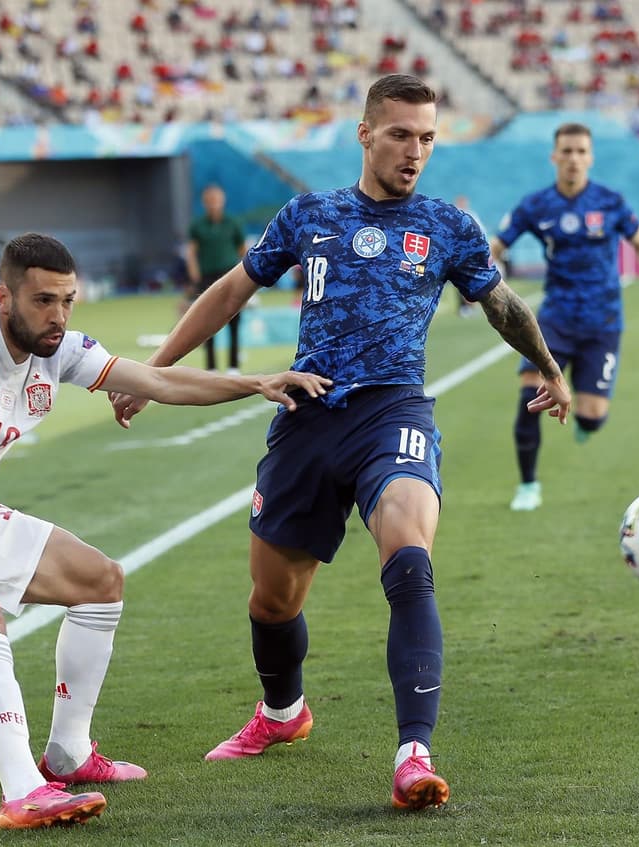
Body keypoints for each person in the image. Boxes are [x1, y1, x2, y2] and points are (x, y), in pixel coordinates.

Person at [110, 74, 571, 810]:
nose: (414, 151)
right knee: (272, 601)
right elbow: (232, 290)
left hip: (394, 414)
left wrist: (548, 367)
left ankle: (413, 754)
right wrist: (153, 369)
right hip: (305, 411)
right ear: (364, 134)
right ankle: (282, 713)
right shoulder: (309, 214)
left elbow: (502, 303)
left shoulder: (449, 227)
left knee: (410, 554)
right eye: (399, 135)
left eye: (426, 137)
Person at [0, 233, 330, 830]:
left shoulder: (59, 349)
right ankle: (23, 791)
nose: (58, 316)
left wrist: (254, 383)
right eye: (44, 300)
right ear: (3, 297)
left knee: (100, 581)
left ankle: (68, 755)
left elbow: (158, 382)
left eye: (68, 300)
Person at [490, 123, 639, 512]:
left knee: (592, 417)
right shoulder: (536, 205)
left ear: (590, 157)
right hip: (553, 319)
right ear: (554, 156)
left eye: (580, 152)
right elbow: (497, 245)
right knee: (529, 395)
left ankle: (585, 425)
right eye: (566, 151)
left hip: (602, 322)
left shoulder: (610, 202)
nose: (573, 159)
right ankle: (528, 486)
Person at [185, 184, 248, 372]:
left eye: (217, 200)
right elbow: (191, 252)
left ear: (223, 201)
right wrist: (195, 276)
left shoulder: (232, 223)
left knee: (234, 320)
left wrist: (248, 275)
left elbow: (243, 250)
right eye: (210, 201)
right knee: (207, 320)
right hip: (207, 277)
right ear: (205, 203)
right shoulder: (198, 225)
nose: (214, 204)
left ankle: (233, 366)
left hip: (230, 274)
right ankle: (211, 367)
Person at [453, 195, 485, 317]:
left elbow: (480, 231)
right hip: (457, 254)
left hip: (469, 254)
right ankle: (463, 307)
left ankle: (471, 305)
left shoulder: (471, 215)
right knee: (458, 281)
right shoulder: (452, 216)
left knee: (470, 280)